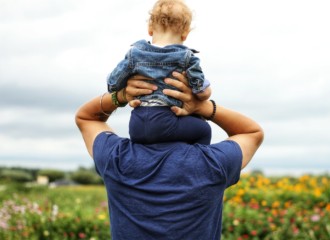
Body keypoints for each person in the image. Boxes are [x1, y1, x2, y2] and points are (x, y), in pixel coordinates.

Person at [75, 72, 264, 239]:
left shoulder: (116, 159)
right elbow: (252, 133)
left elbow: (86, 117)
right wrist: (203, 107)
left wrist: (121, 96)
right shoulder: (213, 163)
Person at [107, 0, 212, 145]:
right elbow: (201, 92)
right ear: (185, 33)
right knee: (204, 130)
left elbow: (112, 84)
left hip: (136, 124)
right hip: (166, 121)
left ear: (150, 28)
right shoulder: (187, 58)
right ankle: (197, 163)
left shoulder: (134, 54)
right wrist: (206, 91)